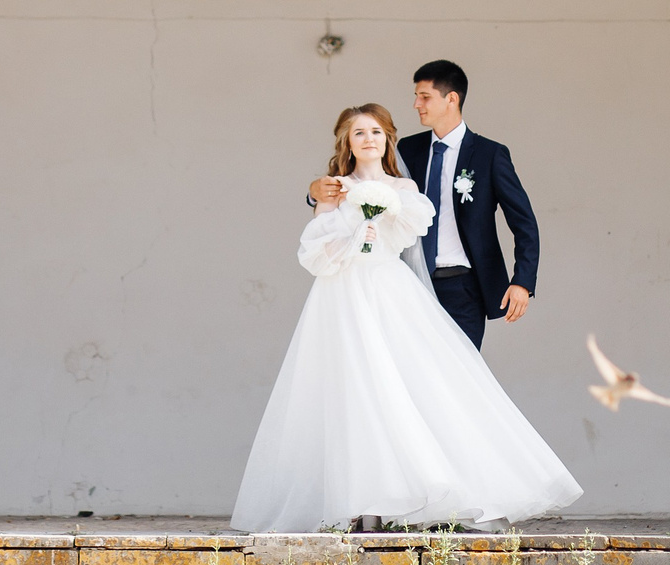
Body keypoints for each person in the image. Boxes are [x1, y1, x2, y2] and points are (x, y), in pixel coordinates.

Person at [231, 102, 579, 533]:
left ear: (387, 139)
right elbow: (313, 251)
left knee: (411, 388)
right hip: (342, 296)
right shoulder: (333, 189)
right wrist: (351, 235)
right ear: (347, 142)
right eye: (359, 133)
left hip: (390, 291)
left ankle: (433, 491)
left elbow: (408, 236)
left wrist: (381, 224)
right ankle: (363, 504)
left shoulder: (405, 188)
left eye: (376, 132)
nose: (369, 139)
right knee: (353, 393)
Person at [310, 60, 537, 350]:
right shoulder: (408, 149)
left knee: (459, 373)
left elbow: (523, 222)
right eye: (416, 96)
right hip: (408, 283)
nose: (416, 104)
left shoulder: (489, 155)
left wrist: (522, 281)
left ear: (451, 99)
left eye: (425, 96)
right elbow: (368, 186)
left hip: (462, 286)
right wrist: (316, 192)